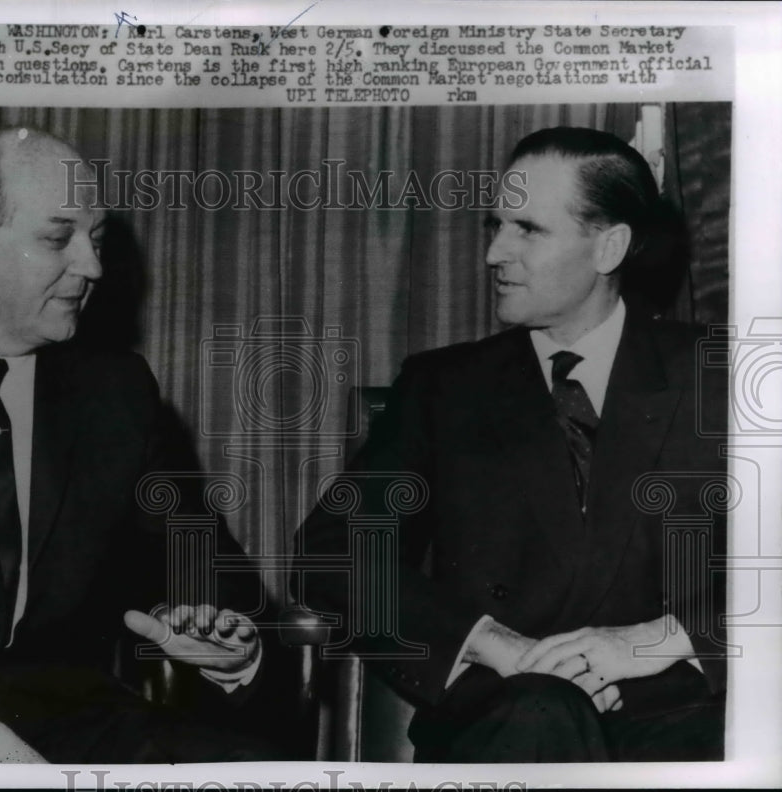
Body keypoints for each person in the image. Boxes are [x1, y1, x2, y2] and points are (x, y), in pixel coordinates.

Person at [0, 127, 289, 763]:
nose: (92, 265)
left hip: (67, 716)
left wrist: (234, 647)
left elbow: (196, 558)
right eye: (57, 236)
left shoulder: (115, 390)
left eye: (94, 238)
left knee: (248, 769)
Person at [294, 126, 728, 762]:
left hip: (682, 724)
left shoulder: (719, 376)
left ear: (609, 247)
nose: (496, 252)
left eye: (528, 229)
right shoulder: (444, 388)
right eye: (495, 225)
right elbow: (333, 556)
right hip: (506, 717)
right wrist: (497, 645)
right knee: (539, 713)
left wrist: (654, 642)